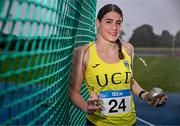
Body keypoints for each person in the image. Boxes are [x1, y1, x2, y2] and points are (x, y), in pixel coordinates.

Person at [69, 4, 167, 126]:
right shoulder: (83, 52)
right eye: (109, 22)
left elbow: (130, 81)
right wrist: (86, 108)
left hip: (130, 122)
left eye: (118, 23)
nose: (114, 27)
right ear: (98, 23)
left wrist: (146, 96)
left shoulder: (128, 49)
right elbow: (74, 93)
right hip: (98, 123)